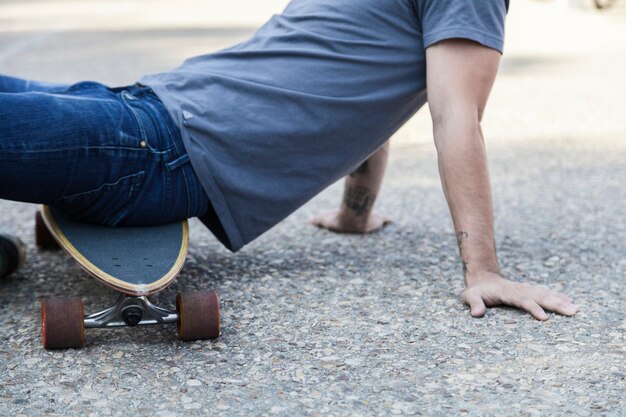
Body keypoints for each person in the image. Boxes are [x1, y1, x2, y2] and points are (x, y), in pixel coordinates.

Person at [0, 0, 578, 319]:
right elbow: (360, 90)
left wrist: (484, 270)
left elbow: (456, 117)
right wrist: (356, 212)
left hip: (155, 154)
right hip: (134, 105)